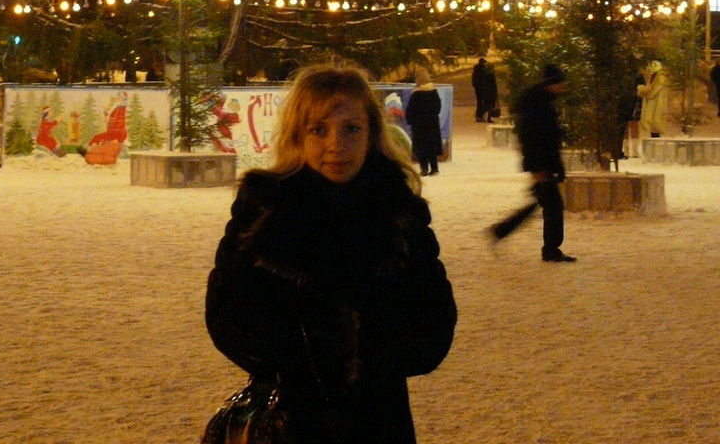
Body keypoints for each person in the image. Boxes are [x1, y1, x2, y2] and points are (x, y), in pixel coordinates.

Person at [205, 64, 456, 444]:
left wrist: (370, 360)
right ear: (297, 135)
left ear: (372, 134)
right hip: (288, 421)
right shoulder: (264, 210)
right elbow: (226, 313)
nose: (336, 144)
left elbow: (434, 320)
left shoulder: (398, 211)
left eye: (351, 129)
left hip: (378, 420)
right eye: (318, 130)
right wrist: (301, 361)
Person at [490, 64, 576, 263]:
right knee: (552, 205)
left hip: (541, 162)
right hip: (540, 163)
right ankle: (549, 249)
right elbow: (537, 138)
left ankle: (502, 230)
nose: (563, 87)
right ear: (551, 83)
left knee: (544, 202)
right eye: (561, 83)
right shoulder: (539, 105)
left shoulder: (539, 102)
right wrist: (541, 167)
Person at [405, 69, 443, 176]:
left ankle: (424, 169)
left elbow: (411, 110)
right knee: (431, 147)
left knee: (421, 148)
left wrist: (410, 120)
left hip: (419, 126)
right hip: (432, 124)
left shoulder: (416, 94)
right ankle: (434, 168)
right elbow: (438, 108)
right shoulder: (434, 92)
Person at [637, 60, 667, 138]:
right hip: (653, 102)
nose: (649, 69)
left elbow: (654, 91)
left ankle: (655, 139)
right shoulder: (654, 77)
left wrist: (643, 91)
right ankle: (655, 138)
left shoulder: (659, 78)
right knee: (652, 122)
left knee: (654, 122)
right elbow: (651, 89)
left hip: (655, 103)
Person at [471, 57, 498, 122]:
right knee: (487, 103)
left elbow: (474, 81)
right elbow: (492, 83)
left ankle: (479, 116)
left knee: (479, 102)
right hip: (486, 89)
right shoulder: (487, 71)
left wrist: (475, 86)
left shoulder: (476, 70)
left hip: (478, 89)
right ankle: (485, 117)